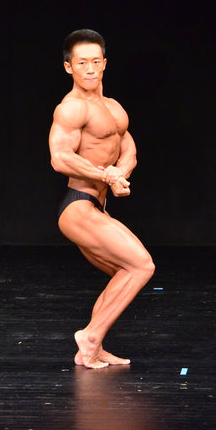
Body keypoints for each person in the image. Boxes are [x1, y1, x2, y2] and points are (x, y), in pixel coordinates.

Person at [49, 29, 155, 369]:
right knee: (141, 265)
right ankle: (90, 336)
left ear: (105, 63)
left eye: (96, 61)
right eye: (82, 63)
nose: (90, 69)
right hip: (78, 204)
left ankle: (92, 349)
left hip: (98, 205)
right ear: (69, 67)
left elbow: (129, 150)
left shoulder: (113, 108)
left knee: (125, 271)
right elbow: (60, 157)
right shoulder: (71, 108)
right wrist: (106, 176)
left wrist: (120, 175)